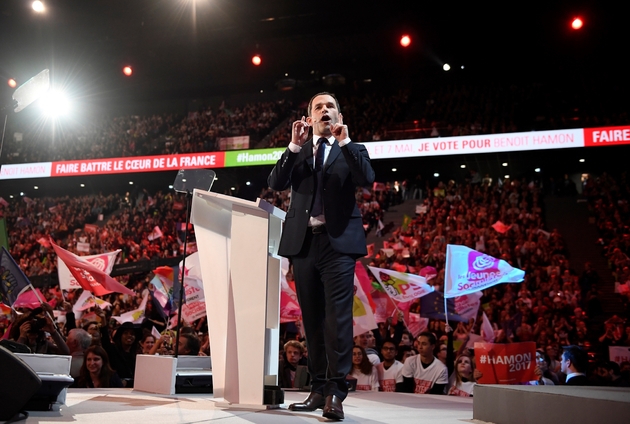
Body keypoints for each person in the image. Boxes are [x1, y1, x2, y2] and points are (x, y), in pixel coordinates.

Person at [268, 92, 375, 420]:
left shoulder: (352, 149)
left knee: (337, 319)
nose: (325, 111)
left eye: (331, 107)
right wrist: (293, 146)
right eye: (319, 107)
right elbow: (275, 183)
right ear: (310, 117)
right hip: (303, 245)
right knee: (312, 318)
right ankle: (316, 389)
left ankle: (335, 393)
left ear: (338, 116)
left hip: (338, 245)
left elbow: (367, 180)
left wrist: (345, 142)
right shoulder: (298, 152)